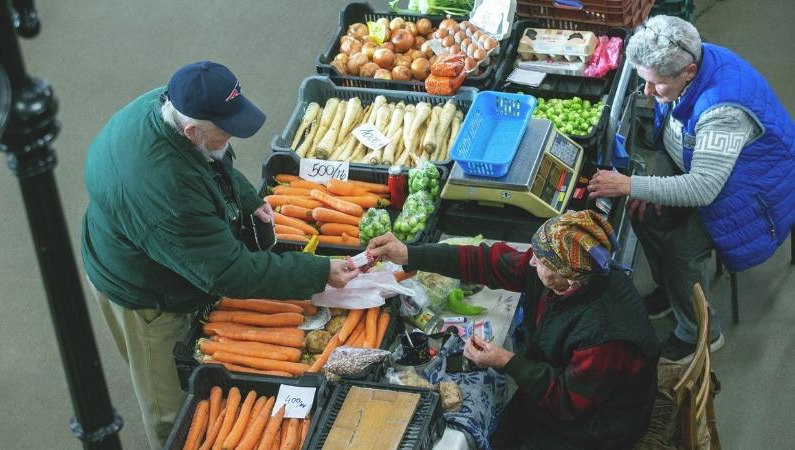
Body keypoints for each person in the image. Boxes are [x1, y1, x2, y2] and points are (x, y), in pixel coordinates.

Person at [81, 61, 359, 448]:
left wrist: (248, 200)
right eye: (226, 130)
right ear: (192, 130)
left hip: (151, 238)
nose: (232, 136)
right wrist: (317, 271)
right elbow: (227, 272)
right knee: (169, 402)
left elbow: (217, 161)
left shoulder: (171, 104)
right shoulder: (168, 191)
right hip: (143, 290)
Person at [587, 15, 795, 363]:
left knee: (681, 250)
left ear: (689, 72)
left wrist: (629, 184)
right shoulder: (690, 61)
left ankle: (700, 332)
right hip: (712, 168)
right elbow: (675, 136)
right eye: (645, 82)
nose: (649, 94)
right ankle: (673, 293)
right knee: (645, 217)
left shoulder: (722, 109)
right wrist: (645, 188)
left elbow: (702, 189)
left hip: (754, 188)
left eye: (656, 85)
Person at [368, 210, 659, 450]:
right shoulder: (564, 274)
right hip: (557, 387)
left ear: (567, 278)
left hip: (596, 425)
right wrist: (409, 254)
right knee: (500, 429)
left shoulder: (606, 336)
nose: (531, 260)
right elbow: (488, 262)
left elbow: (568, 402)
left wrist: (507, 361)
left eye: (540, 260)